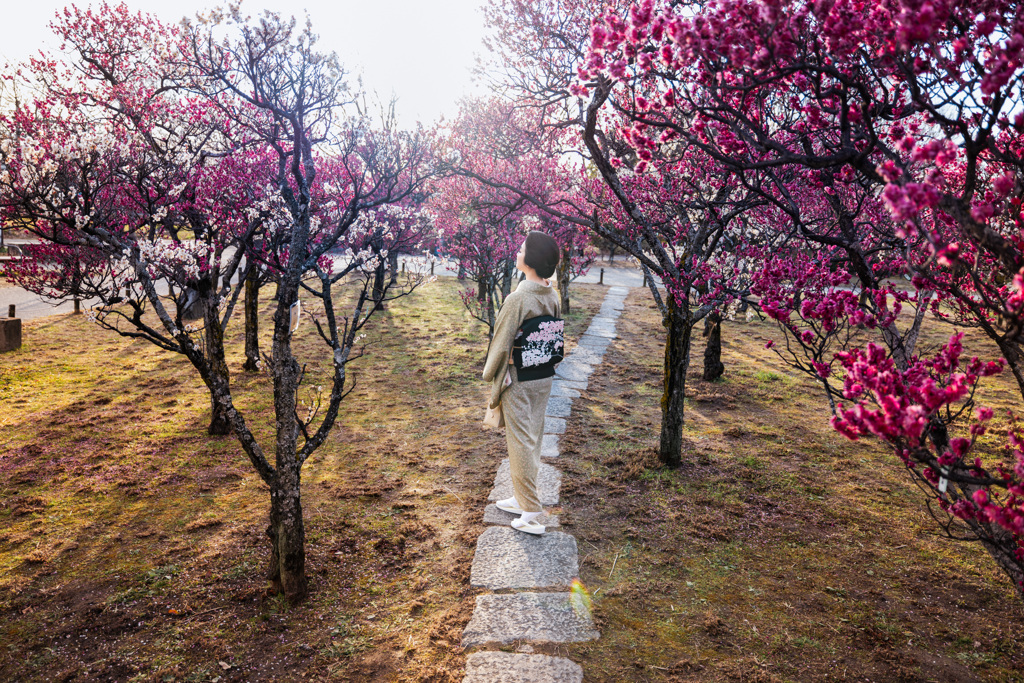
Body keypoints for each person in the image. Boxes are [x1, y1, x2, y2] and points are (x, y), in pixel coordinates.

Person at [482, 230, 561, 535]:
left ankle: (530, 510)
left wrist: (490, 374)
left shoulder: (518, 299)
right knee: (533, 438)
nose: (517, 252)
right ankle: (520, 497)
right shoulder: (550, 294)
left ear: (531, 260)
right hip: (542, 375)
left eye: (522, 248)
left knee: (520, 443)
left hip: (518, 377)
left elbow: (501, 342)